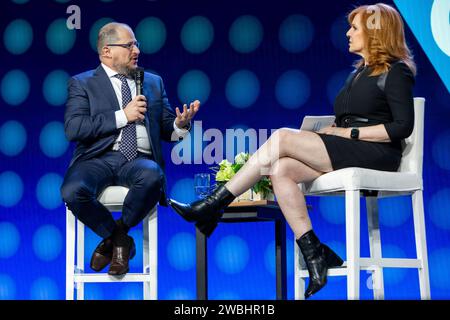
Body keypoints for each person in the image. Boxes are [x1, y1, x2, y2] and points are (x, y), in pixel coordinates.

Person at [168, 3, 416, 299]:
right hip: (350, 149)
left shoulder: (396, 71)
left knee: (283, 137)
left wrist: (346, 132)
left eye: (354, 27)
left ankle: (212, 205)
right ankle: (315, 253)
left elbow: (402, 127)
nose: (348, 33)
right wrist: (331, 128)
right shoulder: (358, 73)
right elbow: (356, 117)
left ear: (375, 32)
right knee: (281, 168)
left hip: (378, 155)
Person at [61, 22, 200, 275]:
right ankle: (120, 239)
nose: (136, 50)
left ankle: (117, 236)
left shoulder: (152, 82)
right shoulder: (82, 84)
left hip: (138, 159)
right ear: (106, 52)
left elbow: (166, 127)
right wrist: (122, 116)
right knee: (72, 191)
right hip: (97, 159)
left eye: (136, 44)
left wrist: (180, 125)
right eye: (129, 45)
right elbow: (74, 128)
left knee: (152, 176)